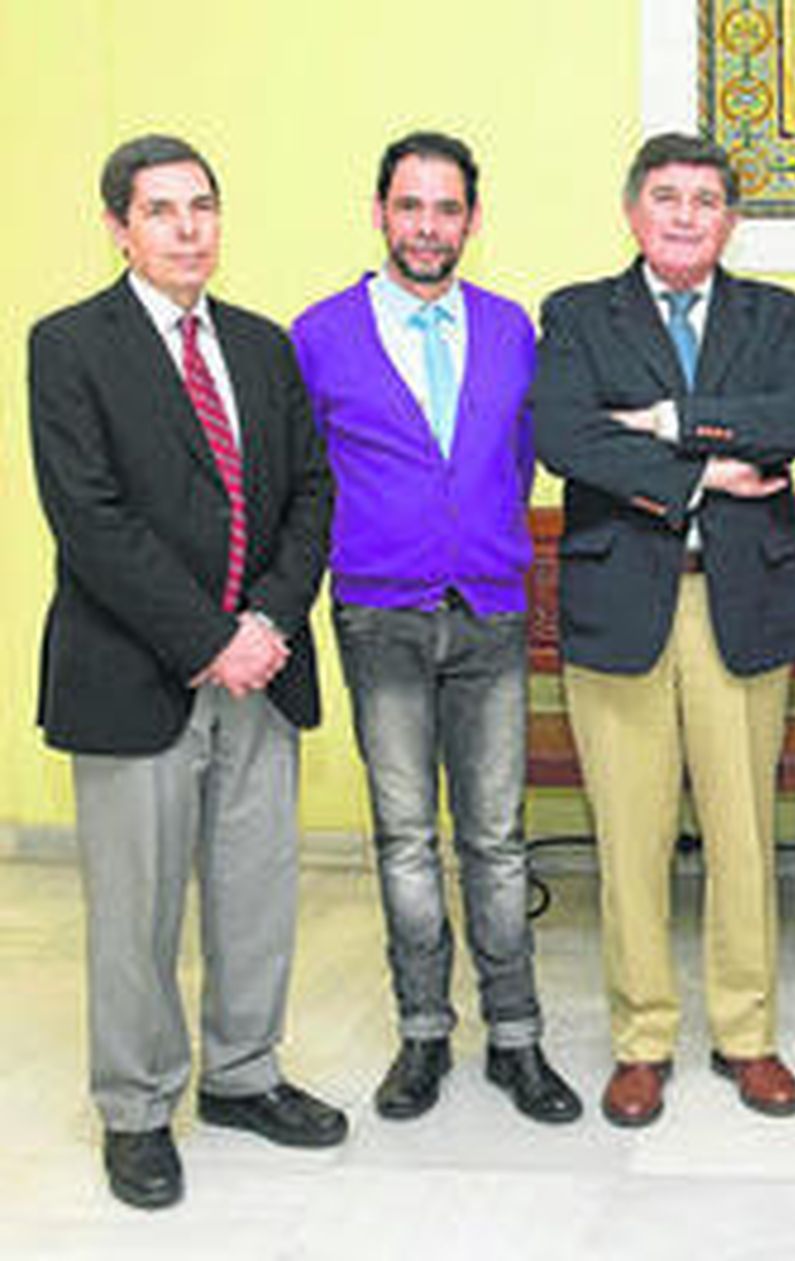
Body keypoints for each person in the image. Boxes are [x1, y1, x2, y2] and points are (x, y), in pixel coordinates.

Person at [28, 135, 343, 1210]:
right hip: (136, 675)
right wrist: (209, 638)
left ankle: (245, 1076)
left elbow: (311, 492)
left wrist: (265, 620)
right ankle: (136, 1106)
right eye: (161, 211)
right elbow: (91, 521)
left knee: (256, 893)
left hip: (262, 670)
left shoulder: (261, 345)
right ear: (118, 227)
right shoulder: (68, 345)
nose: (188, 228)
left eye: (202, 206)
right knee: (136, 910)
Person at [533, 133, 795, 1127]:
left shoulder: (775, 314)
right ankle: (642, 1040)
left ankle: (747, 1035)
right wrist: (706, 467)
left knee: (743, 834)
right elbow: (565, 435)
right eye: (667, 197)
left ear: (730, 220)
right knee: (631, 836)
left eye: (706, 200)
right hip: (621, 605)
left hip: (740, 604)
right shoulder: (577, 315)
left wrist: (662, 422)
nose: (687, 215)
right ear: (633, 213)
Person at [291, 132, 579, 1127]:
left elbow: (530, 455)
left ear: (472, 219)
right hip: (380, 616)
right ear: (379, 213)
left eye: (446, 208)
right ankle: (422, 1032)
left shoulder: (511, 331)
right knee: (407, 838)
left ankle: (516, 1039)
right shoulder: (319, 335)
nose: (427, 226)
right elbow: (300, 479)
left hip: (491, 615)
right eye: (409, 206)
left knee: (497, 839)